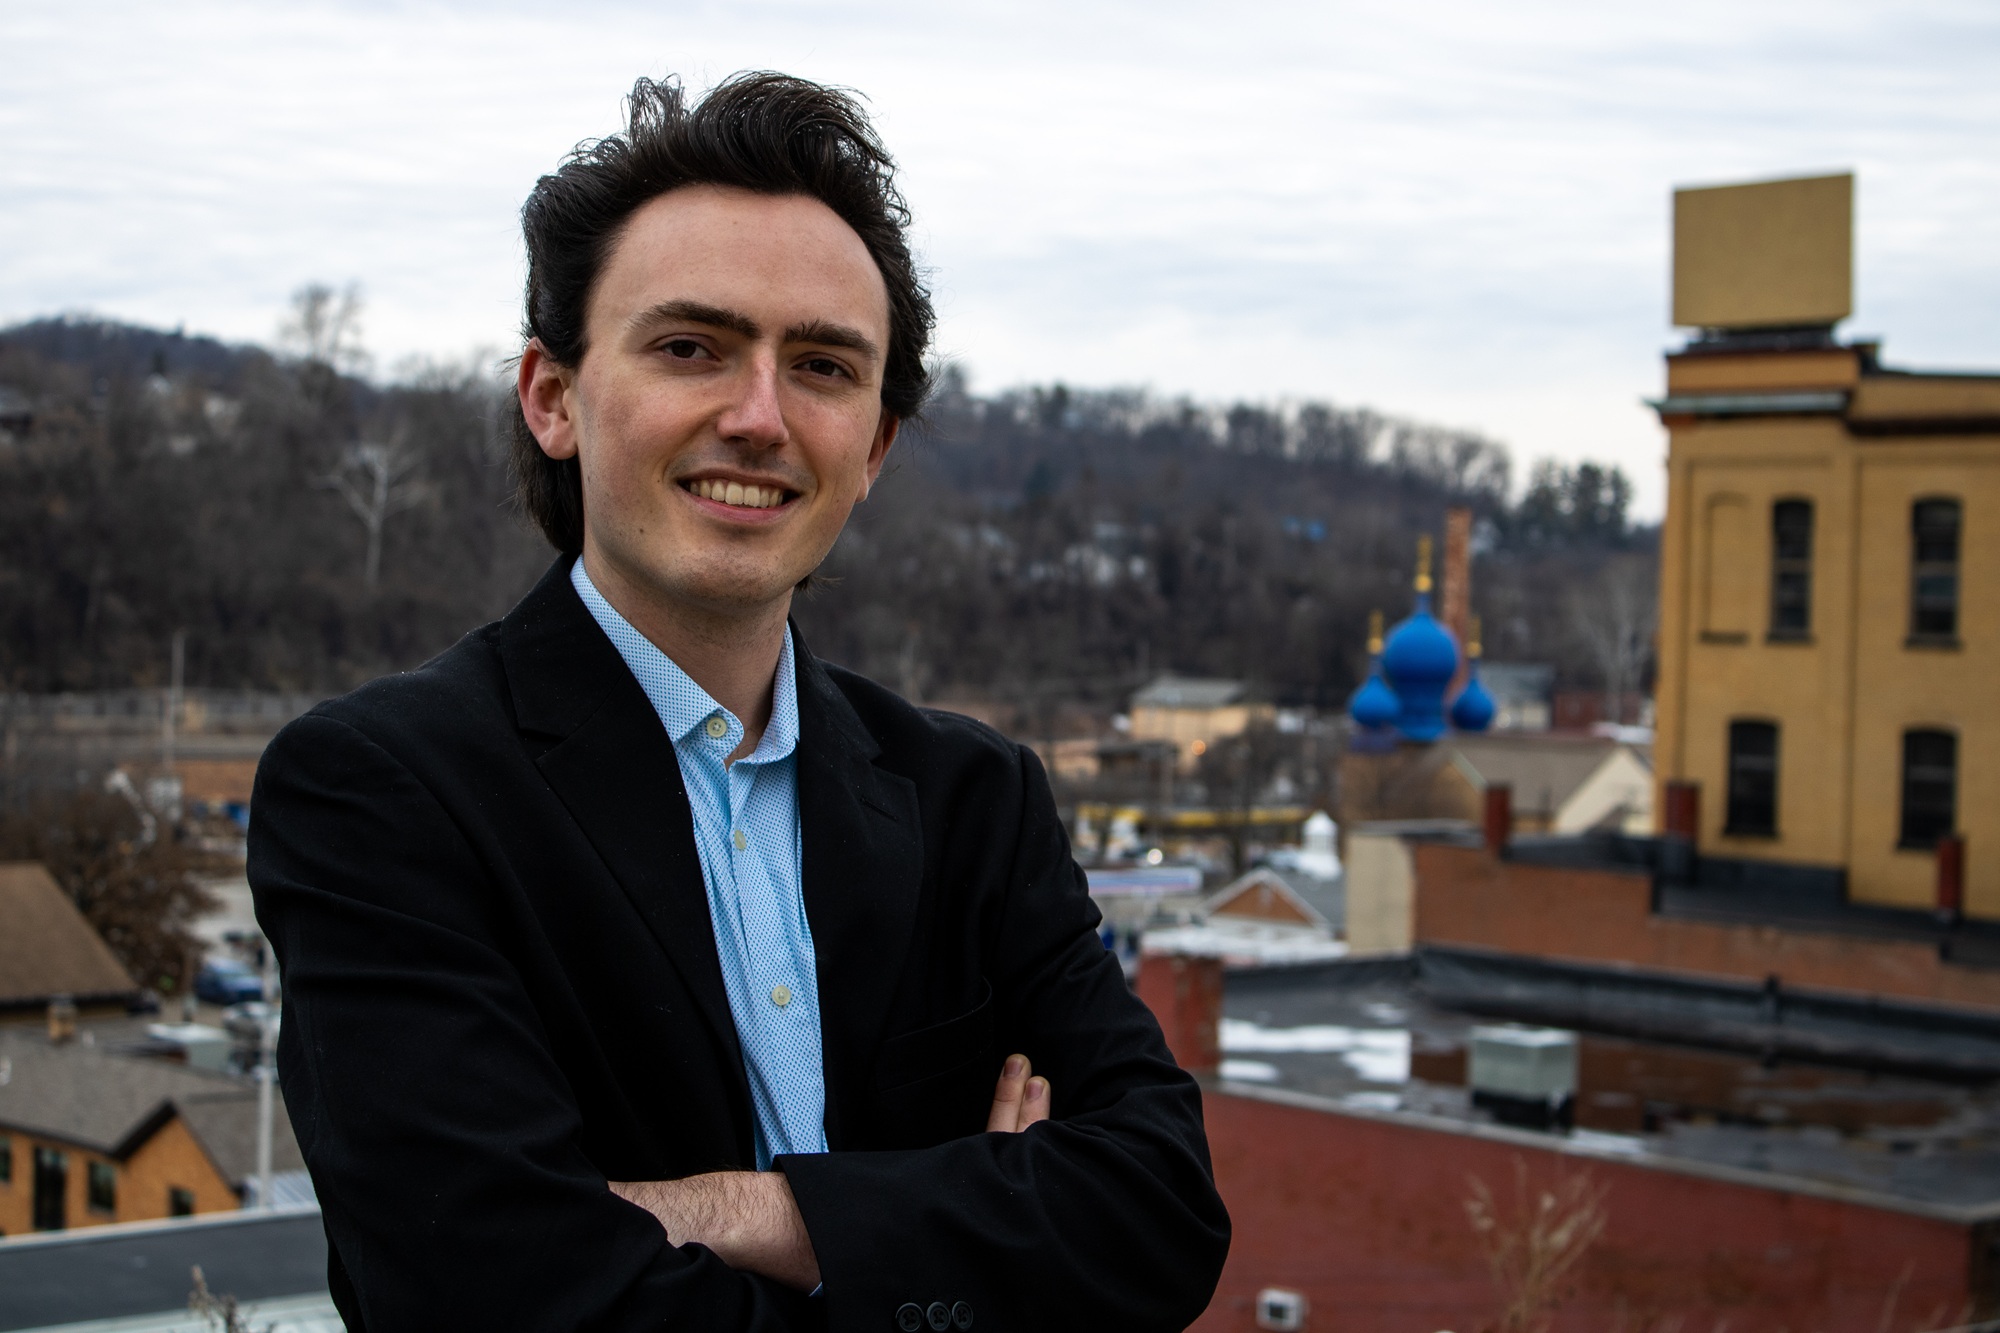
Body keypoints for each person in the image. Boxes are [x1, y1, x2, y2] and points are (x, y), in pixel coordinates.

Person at [249, 71, 1229, 1333]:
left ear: (872, 448)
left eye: (821, 366)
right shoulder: (385, 792)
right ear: (552, 397)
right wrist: (956, 1232)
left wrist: (755, 1210)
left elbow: (1160, 1212)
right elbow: (493, 1298)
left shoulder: (973, 802)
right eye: (689, 348)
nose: (759, 418)